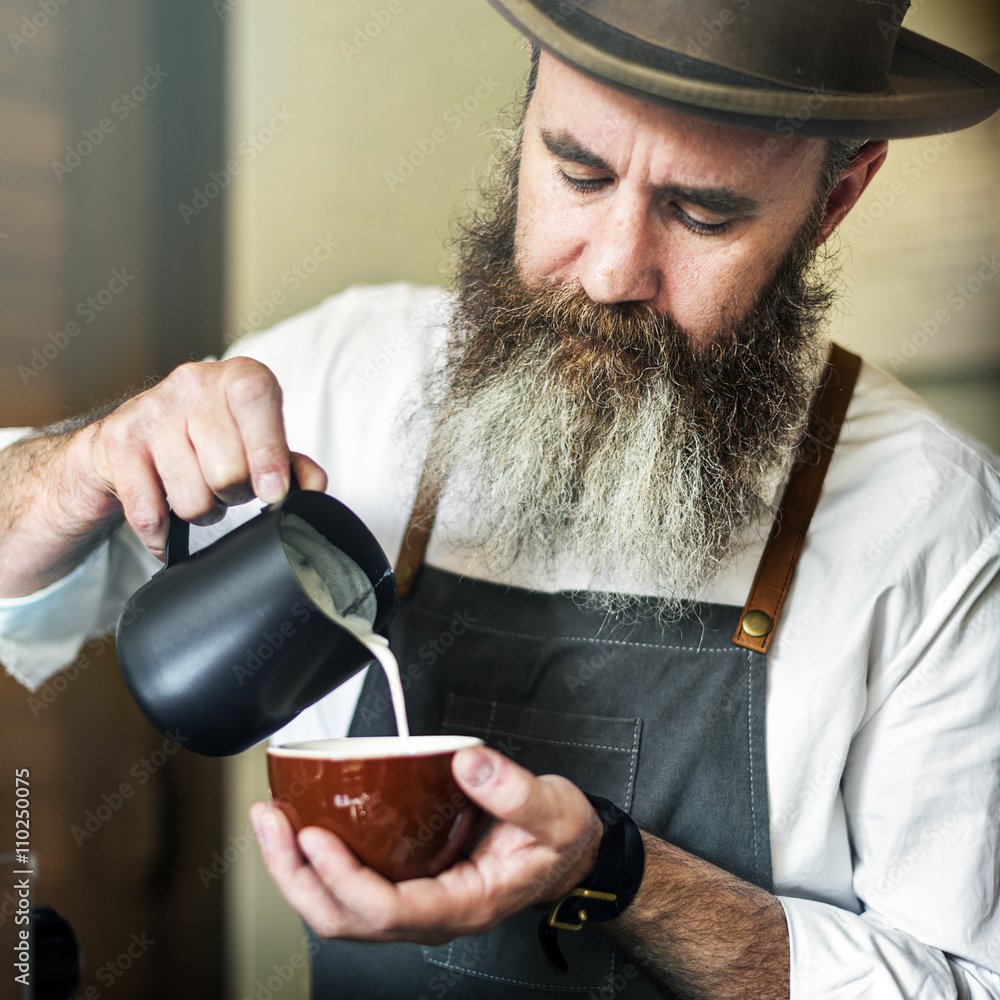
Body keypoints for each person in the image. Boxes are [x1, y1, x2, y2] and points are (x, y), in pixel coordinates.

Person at [1, 2, 999, 997]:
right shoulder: (352, 373)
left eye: (703, 212)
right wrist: (81, 464)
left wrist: (618, 876)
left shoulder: (934, 526)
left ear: (837, 197)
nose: (611, 271)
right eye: (578, 171)